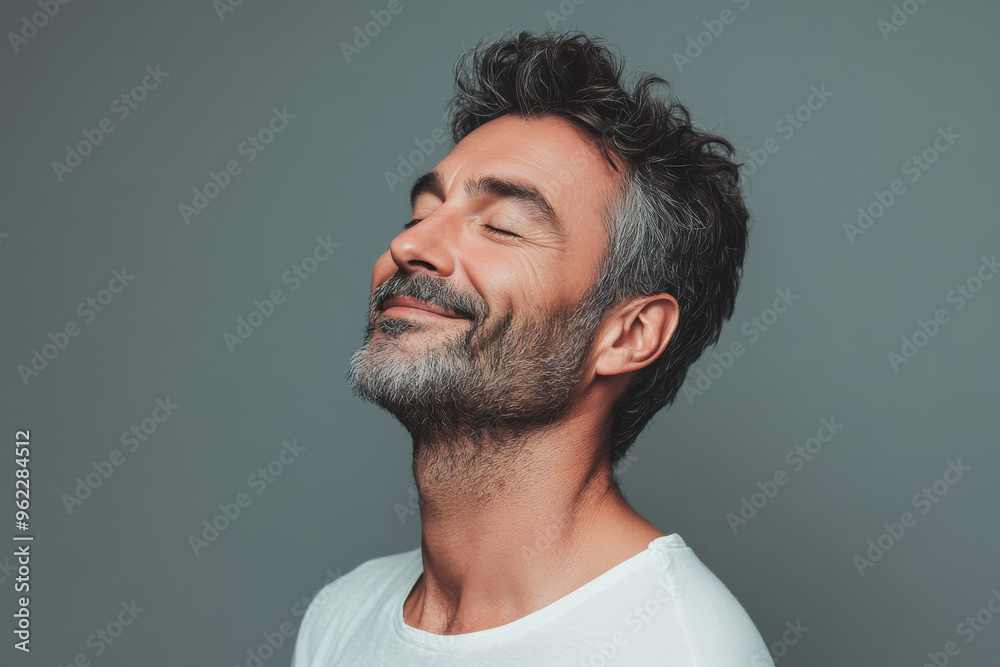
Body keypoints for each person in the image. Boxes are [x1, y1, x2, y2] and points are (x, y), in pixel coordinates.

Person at [292, 30, 772, 666]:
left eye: (503, 226)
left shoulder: (677, 650)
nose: (408, 247)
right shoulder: (341, 616)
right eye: (419, 215)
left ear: (629, 335)